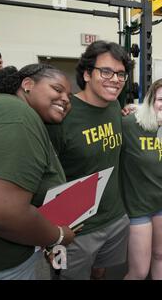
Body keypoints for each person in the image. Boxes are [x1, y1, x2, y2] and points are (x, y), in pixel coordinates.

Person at [46, 40, 132, 280]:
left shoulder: (115, 106)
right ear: (86, 74)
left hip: (114, 218)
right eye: (106, 71)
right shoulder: (62, 113)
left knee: (100, 273)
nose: (115, 79)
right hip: (74, 229)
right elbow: (42, 176)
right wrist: (51, 235)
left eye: (120, 74)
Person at [0, 64, 75, 279]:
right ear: (27, 84)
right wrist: (58, 235)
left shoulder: (17, 113)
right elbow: (1, 213)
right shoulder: (17, 114)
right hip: (5, 268)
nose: (65, 99)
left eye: (69, 96)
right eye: (57, 89)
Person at [121, 78, 162, 280]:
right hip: (137, 206)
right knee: (139, 272)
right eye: (160, 99)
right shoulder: (131, 124)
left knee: (160, 254)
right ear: (150, 102)